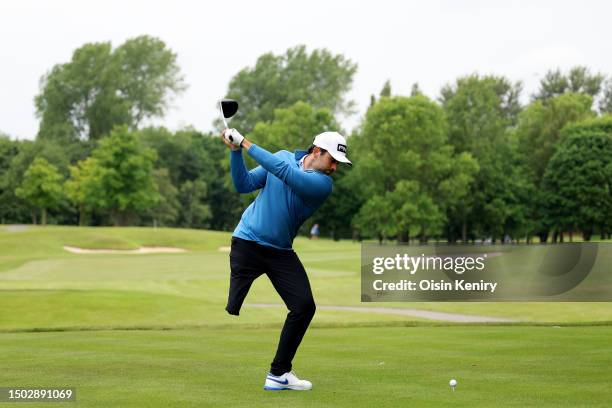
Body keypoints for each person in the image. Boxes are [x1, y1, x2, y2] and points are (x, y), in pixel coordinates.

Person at [221, 128, 351, 391]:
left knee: (304, 307)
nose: (335, 167)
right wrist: (236, 152)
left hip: (280, 252)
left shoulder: (323, 184)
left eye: (338, 163)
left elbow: (285, 173)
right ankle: (278, 372)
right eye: (333, 160)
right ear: (317, 151)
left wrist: (245, 142)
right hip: (247, 242)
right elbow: (243, 184)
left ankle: (278, 373)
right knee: (233, 303)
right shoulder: (281, 157)